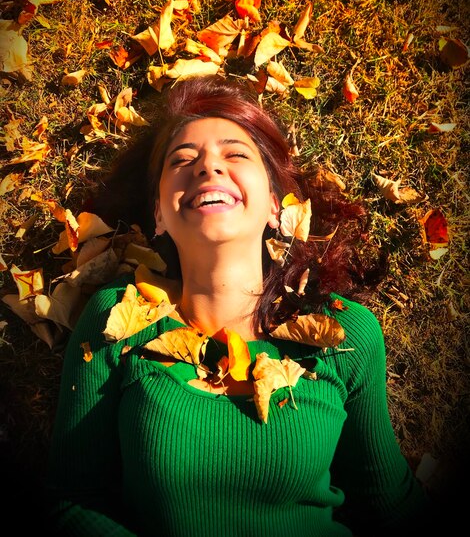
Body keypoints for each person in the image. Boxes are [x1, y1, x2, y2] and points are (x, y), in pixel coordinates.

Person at [45, 75, 432, 536]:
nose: (208, 167)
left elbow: (388, 503)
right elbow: (72, 498)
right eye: (183, 159)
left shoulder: (340, 336)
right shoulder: (118, 321)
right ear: (159, 215)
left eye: (236, 154)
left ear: (274, 205)